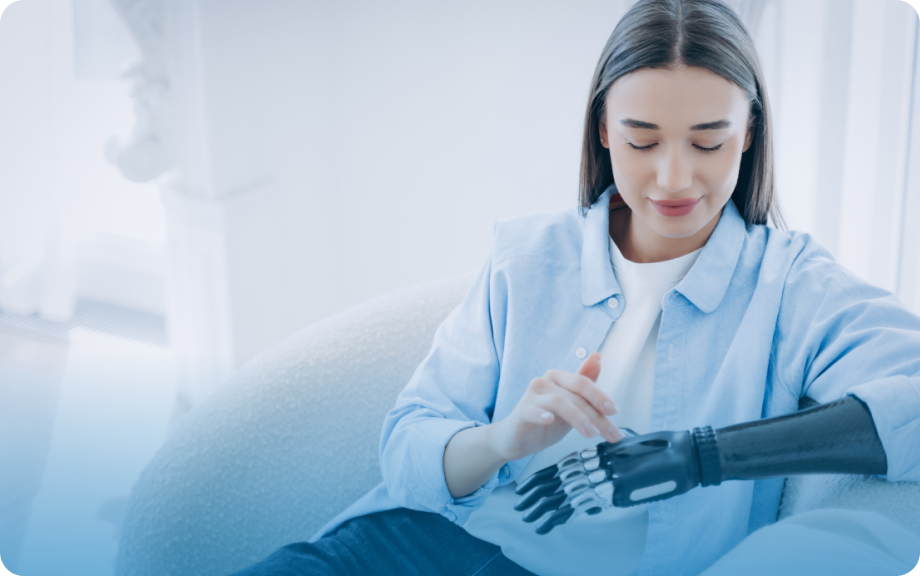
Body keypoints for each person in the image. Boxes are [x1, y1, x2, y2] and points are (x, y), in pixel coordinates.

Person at [230, 0, 920, 574]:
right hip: (411, 546)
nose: (674, 178)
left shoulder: (792, 286)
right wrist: (502, 440)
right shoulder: (526, 255)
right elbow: (407, 446)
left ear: (748, 134)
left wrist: (699, 455)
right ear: (603, 132)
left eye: (707, 142)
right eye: (642, 141)